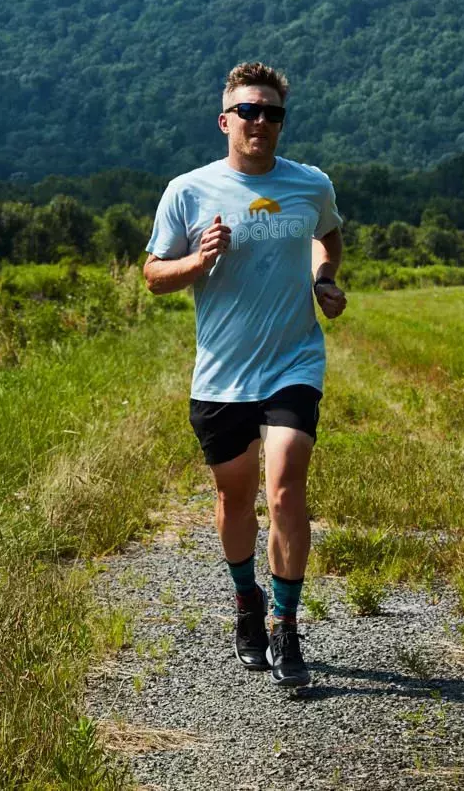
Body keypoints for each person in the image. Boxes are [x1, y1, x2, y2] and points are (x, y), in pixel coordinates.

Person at [143, 61, 347, 689]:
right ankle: (246, 602)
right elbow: (152, 275)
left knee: (285, 486)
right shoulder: (188, 191)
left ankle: (286, 625)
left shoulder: (309, 184)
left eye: (273, 112)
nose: (262, 121)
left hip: (294, 360)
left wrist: (323, 279)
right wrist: (198, 260)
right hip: (223, 373)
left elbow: (329, 236)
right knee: (235, 497)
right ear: (225, 120)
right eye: (250, 111)